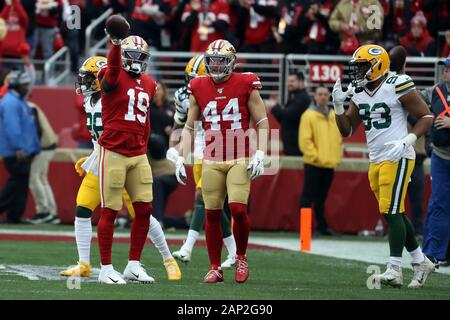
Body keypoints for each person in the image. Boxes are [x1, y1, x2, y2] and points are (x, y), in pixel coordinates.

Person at [60, 56, 181, 281]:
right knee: (83, 209)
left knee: (141, 213)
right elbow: (102, 138)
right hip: (101, 160)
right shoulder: (88, 101)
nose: (83, 83)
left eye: (88, 78)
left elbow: (120, 131)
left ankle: (167, 258)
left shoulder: (114, 97)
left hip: (118, 160)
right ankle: (84, 263)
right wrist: (91, 157)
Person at [333, 44, 435, 288]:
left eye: (362, 67)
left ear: (377, 66)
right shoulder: (359, 91)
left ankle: (394, 269)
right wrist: (337, 107)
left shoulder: (397, 83)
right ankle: (421, 262)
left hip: (399, 154)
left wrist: (408, 140)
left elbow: (427, 116)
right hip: (377, 158)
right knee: (392, 212)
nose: (357, 73)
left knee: (391, 210)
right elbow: (347, 129)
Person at [175, 39, 269, 283]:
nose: (216, 66)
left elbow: (261, 121)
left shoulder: (246, 82)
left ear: (232, 62)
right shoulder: (197, 86)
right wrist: (180, 156)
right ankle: (215, 267)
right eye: (212, 61)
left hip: (240, 154)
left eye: (221, 61)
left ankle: (241, 257)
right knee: (212, 213)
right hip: (211, 157)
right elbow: (189, 126)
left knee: (237, 209)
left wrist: (260, 152)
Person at [96, 24, 159, 284]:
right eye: (129, 56)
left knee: (144, 210)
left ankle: (133, 264)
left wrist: (143, 145)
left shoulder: (150, 83)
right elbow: (111, 71)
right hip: (113, 151)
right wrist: (116, 42)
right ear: (122, 55)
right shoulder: (110, 73)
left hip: (138, 154)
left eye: (139, 57)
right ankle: (105, 268)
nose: (135, 61)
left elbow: (145, 119)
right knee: (110, 210)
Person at [167, 54, 237, 268]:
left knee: (205, 197)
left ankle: (189, 247)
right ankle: (233, 252)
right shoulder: (182, 95)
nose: (191, 84)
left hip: (218, 143)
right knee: (207, 200)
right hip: (197, 144)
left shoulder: (220, 90)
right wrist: (175, 149)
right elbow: (178, 124)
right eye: (189, 79)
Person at [389, 45, 427, 236]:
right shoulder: (396, 90)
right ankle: (400, 230)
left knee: (415, 198)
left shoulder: (406, 93)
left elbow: (422, 119)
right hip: (397, 152)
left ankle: (417, 229)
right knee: (395, 200)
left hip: (414, 155)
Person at [419, 55, 450, 268]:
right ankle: (431, 254)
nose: (445, 71)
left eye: (448, 68)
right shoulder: (435, 91)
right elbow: (412, 99)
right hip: (440, 155)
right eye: (445, 68)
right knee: (438, 203)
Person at [299, 86, 342, 235]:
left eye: (325, 94)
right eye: (320, 94)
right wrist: (315, 156)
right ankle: (305, 229)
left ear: (329, 96)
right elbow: (305, 141)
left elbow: (337, 139)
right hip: (313, 164)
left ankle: (322, 227)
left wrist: (335, 157)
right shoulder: (308, 115)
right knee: (307, 197)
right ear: (315, 96)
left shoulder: (332, 115)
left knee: (321, 199)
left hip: (329, 164)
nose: (323, 97)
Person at [0, 70, 40, 224]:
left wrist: (33, 147)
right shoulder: (11, 102)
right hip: (16, 151)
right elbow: (12, 128)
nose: (27, 87)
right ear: (16, 86)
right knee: (17, 181)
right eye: (24, 84)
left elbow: (28, 126)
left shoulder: (19, 101)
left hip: (23, 149)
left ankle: (15, 215)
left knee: (21, 182)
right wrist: (18, 148)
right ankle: (8, 210)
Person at [27, 101, 59, 224]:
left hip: (42, 146)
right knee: (42, 179)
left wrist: (33, 149)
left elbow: (36, 130)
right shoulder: (31, 105)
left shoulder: (28, 107)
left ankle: (43, 211)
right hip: (47, 144)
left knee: (34, 178)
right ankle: (52, 213)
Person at [266, 70, 311, 156]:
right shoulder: (294, 96)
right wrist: (275, 108)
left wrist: (274, 106)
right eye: (288, 81)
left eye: (292, 81)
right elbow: (284, 119)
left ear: (301, 82)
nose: (289, 83)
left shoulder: (302, 99)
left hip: (297, 148)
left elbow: (286, 115)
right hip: (292, 146)